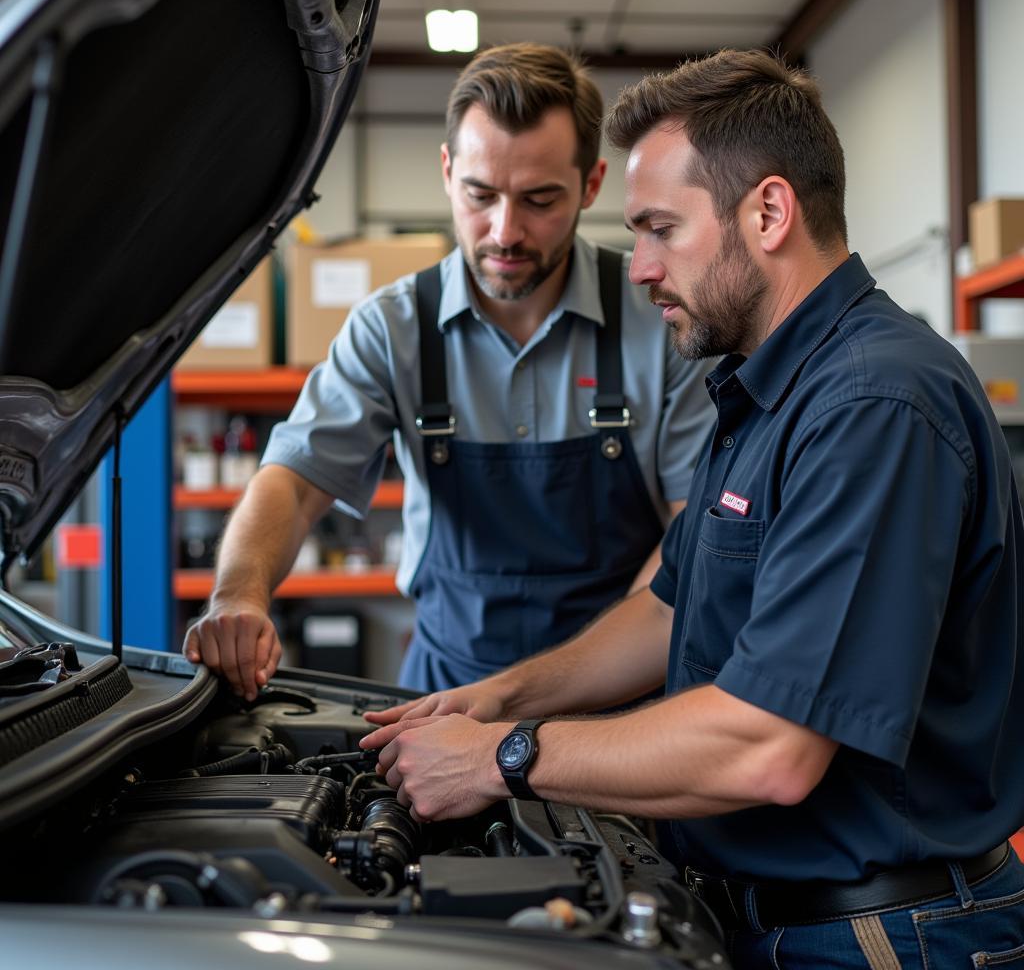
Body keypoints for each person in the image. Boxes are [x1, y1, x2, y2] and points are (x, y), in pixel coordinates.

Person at [360, 48, 1024, 967]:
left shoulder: (874, 406)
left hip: (879, 936)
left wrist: (502, 756)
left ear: (768, 212)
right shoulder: (761, 390)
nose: (638, 270)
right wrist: (498, 695)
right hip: (775, 913)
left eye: (660, 230)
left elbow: (768, 748)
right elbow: (667, 606)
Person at [183, 43, 715, 698]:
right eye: (480, 194)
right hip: (445, 693)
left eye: (539, 199)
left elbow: (691, 535)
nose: (505, 231)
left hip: (615, 694)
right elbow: (293, 484)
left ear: (592, 184)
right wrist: (238, 594)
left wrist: (560, 686)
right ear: (446, 172)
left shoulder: (661, 323)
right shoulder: (392, 329)